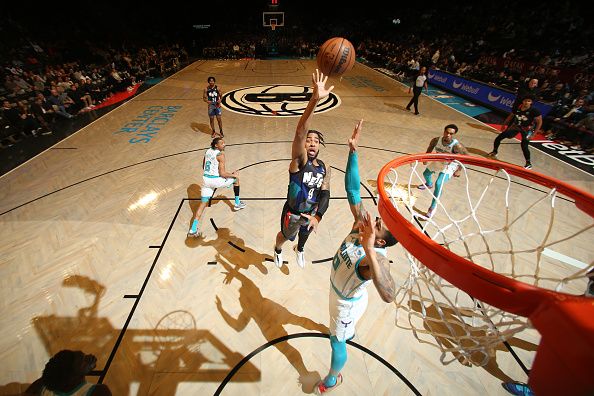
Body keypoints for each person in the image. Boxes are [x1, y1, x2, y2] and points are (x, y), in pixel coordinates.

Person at [315, 119, 398, 395]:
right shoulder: (362, 224)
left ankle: (332, 379)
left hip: (345, 304)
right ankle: (344, 332)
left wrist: (370, 250)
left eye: (379, 224)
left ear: (381, 240)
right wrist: (353, 151)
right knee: (338, 332)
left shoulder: (375, 257)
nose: (374, 217)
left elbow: (389, 294)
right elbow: (352, 189)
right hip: (338, 289)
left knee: (337, 342)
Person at [273, 69, 332, 269]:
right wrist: (314, 100)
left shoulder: (325, 167)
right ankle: (278, 250)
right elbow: (300, 131)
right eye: (309, 141)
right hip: (293, 212)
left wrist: (318, 215)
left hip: (311, 213)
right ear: (304, 146)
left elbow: (325, 193)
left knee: (305, 236)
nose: (313, 143)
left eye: (316, 141)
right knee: (284, 236)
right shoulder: (298, 162)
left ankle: (300, 249)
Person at [187, 137, 246, 237]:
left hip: (206, 180)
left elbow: (203, 166)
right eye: (222, 143)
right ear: (216, 145)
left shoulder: (207, 151)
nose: (224, 145)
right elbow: (222, 174)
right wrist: (234, 175)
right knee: (236, 180)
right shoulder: (221, 155)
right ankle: (237, 204)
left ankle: (193, 229)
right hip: (216, 181)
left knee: (202, 204)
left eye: (224, 143)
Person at [418, 124, 468, 218]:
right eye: (447, 132)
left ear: (454, 134)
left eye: (451, 133)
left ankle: (432, 208)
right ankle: (429, 184)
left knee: (439, 184)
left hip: (449, 166)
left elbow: (467, 157)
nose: (448, 135)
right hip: (439, 161)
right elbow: (429, 148)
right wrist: (425, 158)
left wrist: (459, 170)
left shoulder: (457, 146)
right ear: (444, 131)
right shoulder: (436, 140)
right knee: (425, 174)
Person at [489, 95, 542, 169]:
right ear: (522, 101)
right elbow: (511, 116)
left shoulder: (534, 111)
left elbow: (539, 122)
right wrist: (504, 124)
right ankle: (495, 151)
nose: (526, 102)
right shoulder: (518, 107)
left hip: (527, 129)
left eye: (529, 101)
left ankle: (528, 163)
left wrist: (534, 134)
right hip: (516, 127)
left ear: (531, 102)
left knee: (524, 145)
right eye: (525, 100)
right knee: (499, 137)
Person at [24, 350, 111, 395]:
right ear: (73, 377)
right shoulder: (99, 392)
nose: (90, 356)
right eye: (84, 360)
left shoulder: (42, 386)